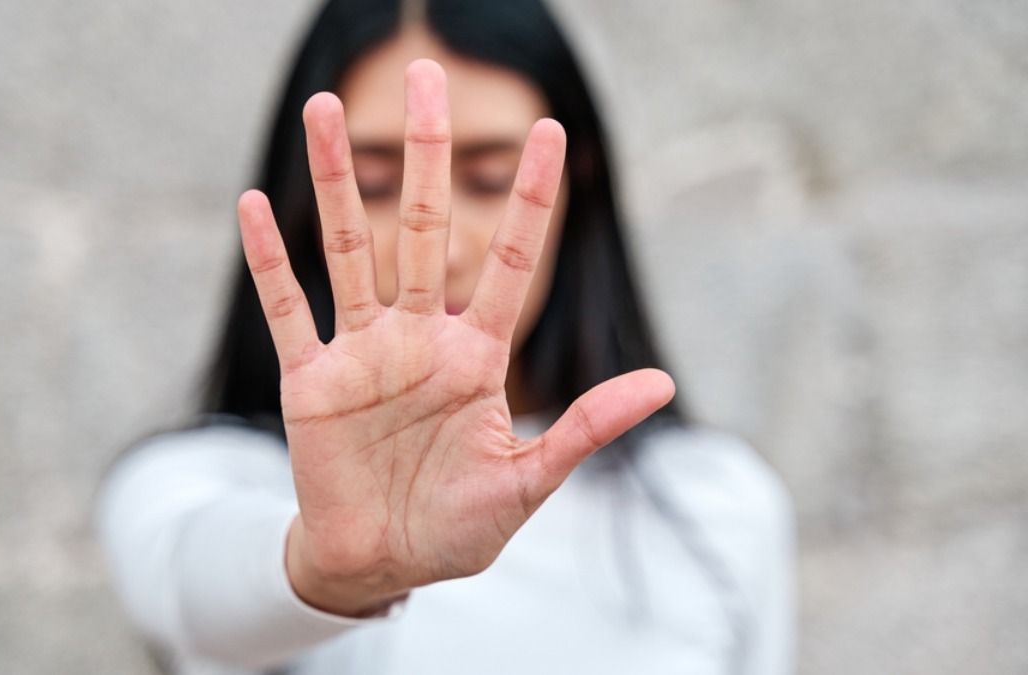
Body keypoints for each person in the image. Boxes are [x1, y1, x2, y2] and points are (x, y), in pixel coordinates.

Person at [96, 1, 795, 674]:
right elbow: (204, 587)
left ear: (576, 186)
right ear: (305, 200)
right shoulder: (195, 483)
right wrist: (329, 568)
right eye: (372, 184)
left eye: (491, 179)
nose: (441, 243)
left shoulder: (716, 504)